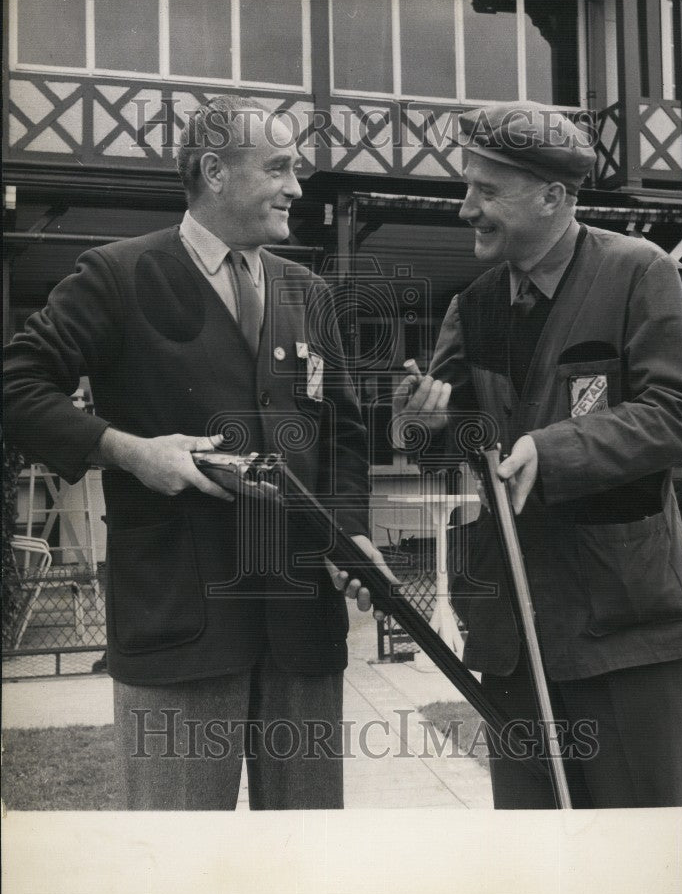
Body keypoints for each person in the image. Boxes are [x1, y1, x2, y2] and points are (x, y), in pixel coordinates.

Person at [4, 94, 391, 811]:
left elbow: (341, 436)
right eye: (278, 168)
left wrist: (353, 532)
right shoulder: (116, 275)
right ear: (214, 171)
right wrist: (126, 451)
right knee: (175, 869)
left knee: (305, 871)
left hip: (301, 628)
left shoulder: (307, 291)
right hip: (180, 629)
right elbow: (17, 384)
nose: (296, 187)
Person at [393, 101, 682, 809]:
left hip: (621, 624)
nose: (466, 209)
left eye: (485, 191)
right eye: (466, 187)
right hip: (513, 629)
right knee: (537, 856)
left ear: (553, 197)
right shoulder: (470, 305)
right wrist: (420, 425)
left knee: (635, 851)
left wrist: (550, 447)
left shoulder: (640, 273)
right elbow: (448, 446)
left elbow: (681, 414)